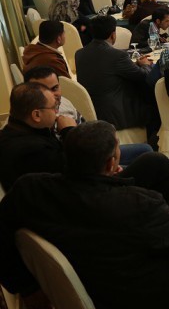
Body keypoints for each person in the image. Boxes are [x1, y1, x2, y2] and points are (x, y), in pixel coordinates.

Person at [0, 119, 169, 309]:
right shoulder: (134, 205)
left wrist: (26, 287)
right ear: (110, 163)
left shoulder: (30, 189)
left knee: (158, 169)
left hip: (97, 272)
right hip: (136, 302)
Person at [21, 67, 155, 160]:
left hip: (94, 148)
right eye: (44, 91)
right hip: (89, 161)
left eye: (55, 88)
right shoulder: (43, 120)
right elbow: (74, 160)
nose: (53, 95)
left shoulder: (63, 101)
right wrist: (68, 131)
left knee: (147, 151)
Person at [76, 16, 156, 133]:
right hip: (115, 114)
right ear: (113, 35)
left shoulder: (79, 53)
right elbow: (144, 76)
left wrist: (134, 65)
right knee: (154, 102)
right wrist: (145, 65)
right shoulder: (117, 56)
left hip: (90, 111)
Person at [0, 82, 76, 191]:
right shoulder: (34, 151)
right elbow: (79, 167)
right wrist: (69, 131)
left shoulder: (12, 129)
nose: (57, 111)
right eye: (54, 107)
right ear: (36, 115)